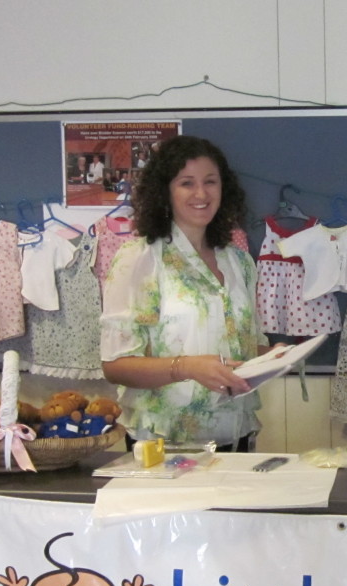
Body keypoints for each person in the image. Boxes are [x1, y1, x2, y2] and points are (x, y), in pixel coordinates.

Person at [100, 135, 269, 451]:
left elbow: (246, 346)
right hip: (165, 442)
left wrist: (275, 358)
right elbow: (115, 365)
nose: (201, 193)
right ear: (165, 191)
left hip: (237, 434)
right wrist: (187, 367)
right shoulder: (140, 258)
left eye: (210, 182)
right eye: (186, 183)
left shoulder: (239, 261)